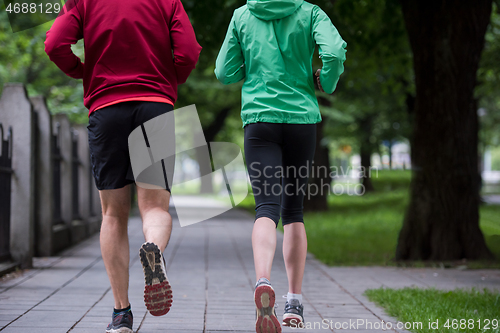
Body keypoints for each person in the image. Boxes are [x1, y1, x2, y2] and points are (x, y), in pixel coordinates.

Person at [45, 0, 201, 331]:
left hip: (107, 108)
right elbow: (188, 51)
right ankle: (153, 251)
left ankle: (121, 314)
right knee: (155, 208)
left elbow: (55, 43)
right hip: (155, 106)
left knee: (113, 214)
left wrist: (82, 70)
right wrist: (171, 79)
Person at [215, 0, 346, 331]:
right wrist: (326, 82)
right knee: (293, 212)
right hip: (302, 119)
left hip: (260, 120)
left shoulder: (243, 15)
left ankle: (262, 281)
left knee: (265, 209)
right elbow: (333, 51)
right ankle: (294, 303)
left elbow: (223, 71)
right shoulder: (310, 12)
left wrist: (252, 69)